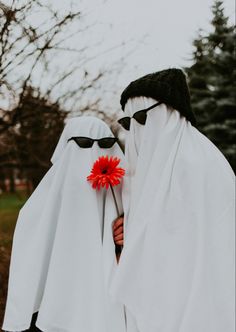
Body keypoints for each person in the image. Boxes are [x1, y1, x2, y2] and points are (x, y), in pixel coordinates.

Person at [111, 68, 235, 332]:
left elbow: (203, 247)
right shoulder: (142, 170)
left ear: (169, 112)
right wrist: (122, 238)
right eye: (127, 123)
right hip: (155, 295)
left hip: (196, 299)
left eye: (142, 118)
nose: (134, 131)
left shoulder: (199, 164)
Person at [2, 116, 126, 332]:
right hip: (61, 304)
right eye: (84, 144)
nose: (94, 153)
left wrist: (128, 239)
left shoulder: (127, 189)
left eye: (105, 144)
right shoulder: (44, 202)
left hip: (113, 300)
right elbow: (31, 258)